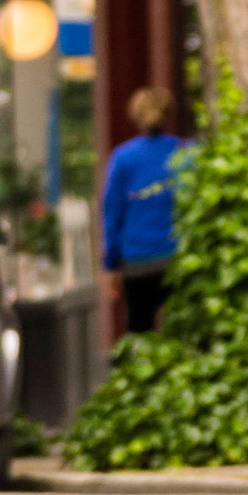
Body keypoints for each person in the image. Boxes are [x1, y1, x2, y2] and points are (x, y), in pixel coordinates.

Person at [100, 86, 185, 335]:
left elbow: (113, 212)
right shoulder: (184, 153)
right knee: (182, 333)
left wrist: (111, 264)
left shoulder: (123, 158)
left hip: (138, 262)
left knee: (140, 333)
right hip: (177, 260)